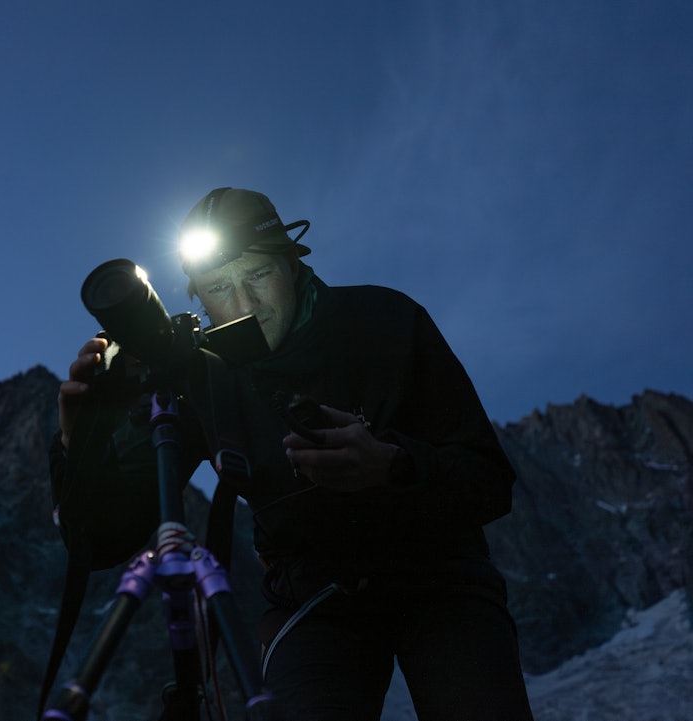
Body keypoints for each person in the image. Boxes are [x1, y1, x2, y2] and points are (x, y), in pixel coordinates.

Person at [51, 187, 534, 720]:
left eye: (258, 274)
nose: (244, 304)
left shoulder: (385, 319)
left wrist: (391, 464)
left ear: (293, 263)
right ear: (197, 297)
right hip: (313, 599)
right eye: (218, 286)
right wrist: (79, 447)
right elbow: (100, 542)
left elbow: (489, 480)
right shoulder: (201, 376)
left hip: (442, 580)